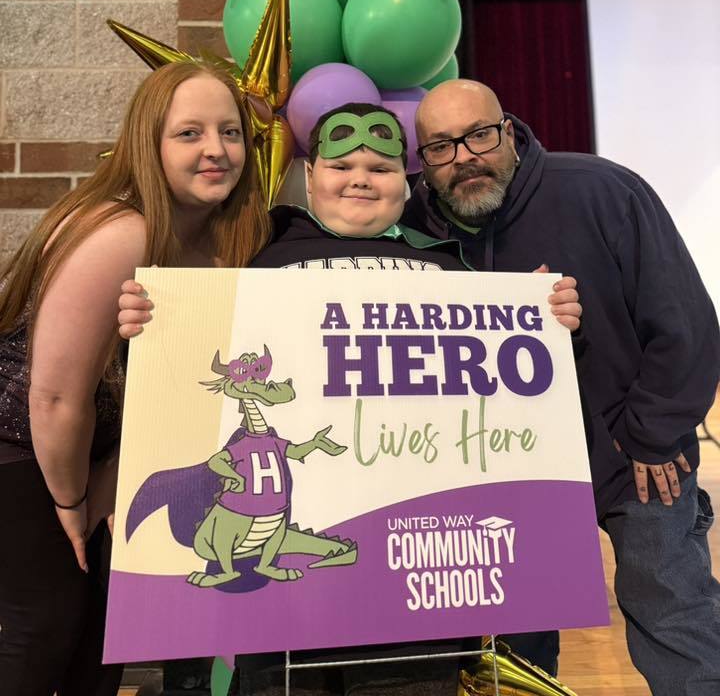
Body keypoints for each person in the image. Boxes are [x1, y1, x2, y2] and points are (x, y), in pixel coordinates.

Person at [119, 102, 582, 696]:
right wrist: (149, 327)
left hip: (414, 599)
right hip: (283, 613)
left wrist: (546, 319)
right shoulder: (255, 254)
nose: (360, 178)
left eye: (381, 168)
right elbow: (188, 382)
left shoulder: (450, 270)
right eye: (340, 165)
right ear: (309, 177)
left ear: (407, 184)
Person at [402, 78, 720, 696]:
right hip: (507, 470)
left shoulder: (604, 190)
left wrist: (652, 435)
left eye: (479, 136)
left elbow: (687, 325)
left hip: (633, 454)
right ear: (424, 161)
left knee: (674, 614)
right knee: (514, 647)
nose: (464, 157)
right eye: (440, 147)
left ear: (510, 132)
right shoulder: (413, 228)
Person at [0, 62, 271, 696]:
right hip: (21, 449)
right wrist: (74, 505)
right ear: (147, 143)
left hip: (93, 451)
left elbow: (162, 396)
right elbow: (55, 397)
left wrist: (106, 483)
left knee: (102, 640)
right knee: (43, 629)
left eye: (231, 132)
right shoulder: (122, 230)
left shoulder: (220, 236)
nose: (216, 150)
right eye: (189, 133)